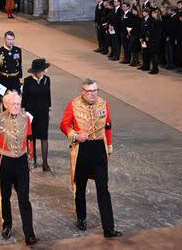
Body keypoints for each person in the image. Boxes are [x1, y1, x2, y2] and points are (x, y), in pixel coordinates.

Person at [59, 79, 122, 238]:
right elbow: (64, 125)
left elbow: (108, 125)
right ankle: (81, 217)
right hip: (82, 149)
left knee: (103, 188)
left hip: (99, 148)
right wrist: (75, 135)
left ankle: (109, 228)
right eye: (90, 91)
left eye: (95, 90)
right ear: (83, 92)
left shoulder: (104, 103)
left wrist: (109, 145)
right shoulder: (73, 104)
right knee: (80, 186)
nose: (93, 94)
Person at [0, 91, 38, 246]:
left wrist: (30, 160)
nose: (16, 107)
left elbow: (29, 140)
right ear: (6, 105)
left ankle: (29, 234)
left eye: (18, 104)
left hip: (22, 162)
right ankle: (7, 224)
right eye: (13, 104)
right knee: (6, 197)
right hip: (5, 162)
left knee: (24, 199)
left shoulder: (26, 119)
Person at [22, 59, 51, 171]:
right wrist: (24, 112)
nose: (41, 72)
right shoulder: (27, 81)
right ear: (35, 71)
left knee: (44, 137)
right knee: (32, 137)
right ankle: (32, 160)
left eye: (42, 70)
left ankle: (45, 163)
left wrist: (49, 109)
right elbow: (24, 98)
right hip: (31, 112)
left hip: (43, 112)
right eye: (39, 70)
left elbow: (48, 95)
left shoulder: (47, 80)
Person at [0, 31, 23, 104]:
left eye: (12, 39)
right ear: (4, 39)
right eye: (9, 39)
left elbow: (19, 63)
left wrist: (19, 75)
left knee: (16, 100)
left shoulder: (17, 50)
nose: (11, 41)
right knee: (4, 101)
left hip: (15, 79)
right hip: (3, 80)